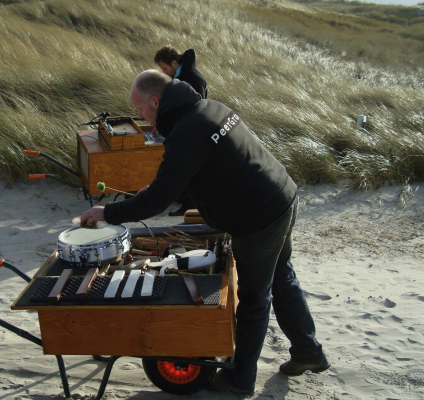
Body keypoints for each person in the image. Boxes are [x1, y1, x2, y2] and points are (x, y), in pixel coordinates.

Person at [80, 70, 329, 394]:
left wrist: (107, 211)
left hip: (258, 219)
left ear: (155, 101)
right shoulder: (208, 108)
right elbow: (211, 170)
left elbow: (156, 200)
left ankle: (240, 380)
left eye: (140, 109)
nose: (139, 117)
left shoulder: (185, 132)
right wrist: (168, 187)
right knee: (281, 276)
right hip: (282, 196)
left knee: (254, 300)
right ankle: (309, 352)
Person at [154, 45, 207, 215]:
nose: (163, 72)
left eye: (164, 68)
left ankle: (189, 208)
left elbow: (195, 109)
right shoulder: (179, 76)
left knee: (191, 170)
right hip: (184, 129)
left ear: (174, 63)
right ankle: (184, 202)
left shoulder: (193, 79)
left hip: (194, 132)